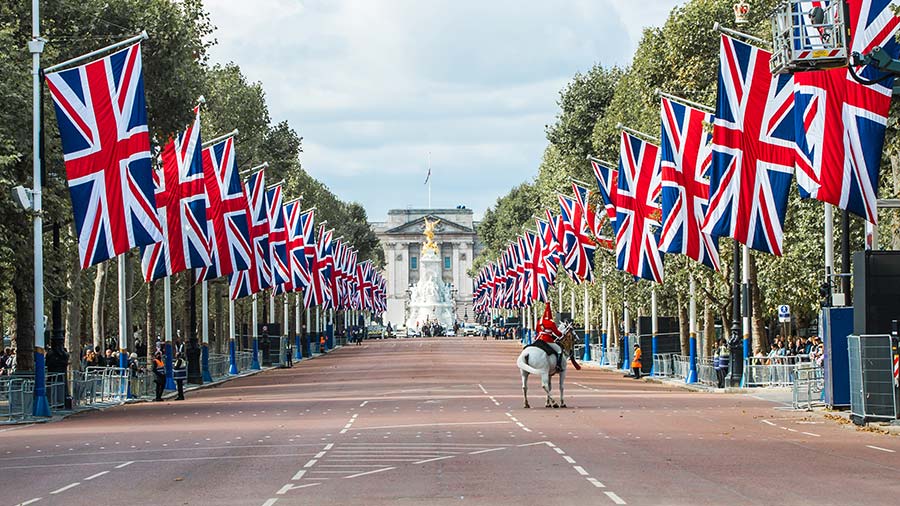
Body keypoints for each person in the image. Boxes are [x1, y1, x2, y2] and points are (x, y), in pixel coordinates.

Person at [534, 302, 563, 372]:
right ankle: (558, 365)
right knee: (559, 350)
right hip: (547, 340)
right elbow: (557, 333)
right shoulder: (551, 322)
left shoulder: (539, 322)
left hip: (539, 339)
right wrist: (561, 334)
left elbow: (537, 330)